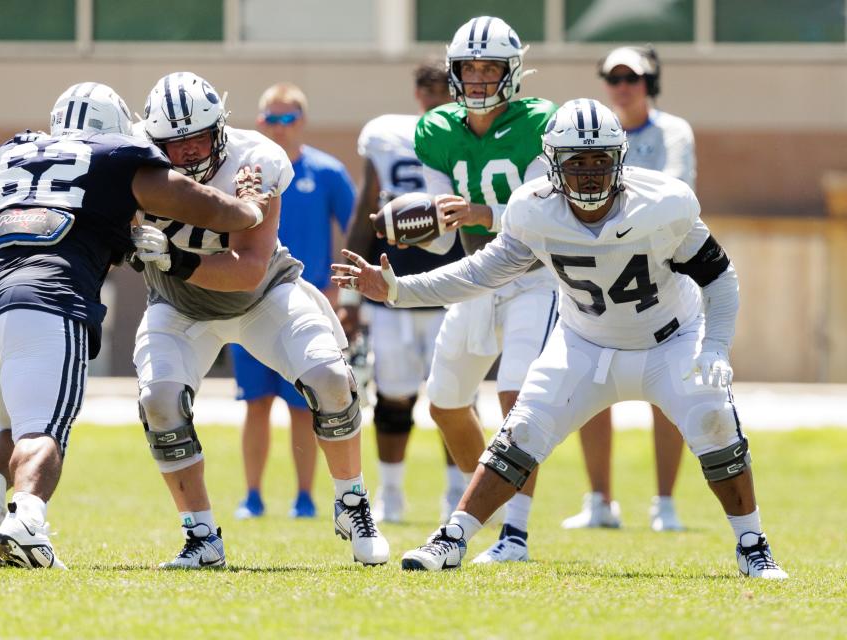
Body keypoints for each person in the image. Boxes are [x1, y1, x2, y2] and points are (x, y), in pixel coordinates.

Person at [335, 98, 788, 580]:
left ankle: (752, 544)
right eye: (576, 162)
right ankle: (453, 538)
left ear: (620, 160)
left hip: (670, 339)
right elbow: (482, 272)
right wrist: (402, 290)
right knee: (522, 430)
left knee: (713, 420)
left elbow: (720, 278)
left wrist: (715, 345)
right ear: (553, 164)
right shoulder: (535, 211)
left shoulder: (663, 204)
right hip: (584, 341)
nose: (590, 174)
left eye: (599, 161)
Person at [0, 81, 270, 568]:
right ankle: (28, 522)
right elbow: (193, 201)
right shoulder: (114, 154)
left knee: (13, 425)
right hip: (43, 301)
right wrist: (249, 208)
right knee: (44, 431)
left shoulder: (17, 149)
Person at [132, 72, 388, 568]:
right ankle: (202, 536)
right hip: (178, 305)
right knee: (160, 402)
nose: (186, 153)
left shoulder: (257, 160)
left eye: (198, 138)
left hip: (264, 294)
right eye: (174, 143)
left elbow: (248, 271)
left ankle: (352, 502)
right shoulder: (133, 162)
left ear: (221, 130)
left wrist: (172, 257)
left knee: (331, 380)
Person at [406, 16, 558, 562]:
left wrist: (482, 213)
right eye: (468, 66)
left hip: (535, 277)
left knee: (517, 400)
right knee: (446, 404)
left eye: (488, 66)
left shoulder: (542, 122)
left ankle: (514, 534)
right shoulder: (436, 128)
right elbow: (441, 227)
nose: (476, 77)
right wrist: (416, 224)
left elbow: (549, 214)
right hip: (475, 276)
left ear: (512, 72)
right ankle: (487, 513)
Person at [561, 45, 698, 532]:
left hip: (662, 271)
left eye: (632, 78)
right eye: (614, 78)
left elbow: (673, 190)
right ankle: (600, 500)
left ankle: (665, 503)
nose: (623, 87)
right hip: (599, 272)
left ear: (649, 83)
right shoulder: (585, 132)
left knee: (672, 390)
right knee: (592, 381)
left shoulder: (673, 130)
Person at [343, 61, 465, 523]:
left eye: (442, 90)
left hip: (452, 286)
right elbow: (365, 212)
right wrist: (351, 297)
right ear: (417, 94)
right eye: (427, 90)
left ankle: (455, 495)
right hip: (393, 287)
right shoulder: (387, 136)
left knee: (454, 397)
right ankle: (391, 494)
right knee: (392, 397)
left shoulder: (466, 139)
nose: (434, 99)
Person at [229, 82, 356, 520]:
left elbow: (356, 232)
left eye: (288, 119)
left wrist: (342, 293)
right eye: (271, 118)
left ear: (301, 121)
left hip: (303, 306)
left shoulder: (326, 172)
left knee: (305, 405)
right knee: (255, 404)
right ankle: (252, 496)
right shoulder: (243, 172)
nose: (279, 128)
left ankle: (305, 497)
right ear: (259, 121)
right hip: (247, 303)